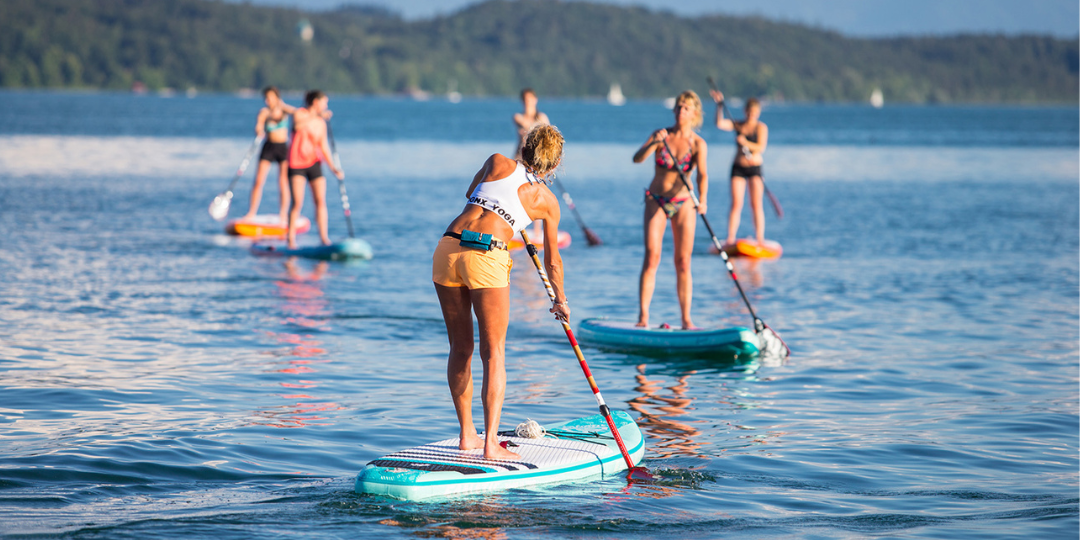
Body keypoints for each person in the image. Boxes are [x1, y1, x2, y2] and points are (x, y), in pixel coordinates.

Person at [433, 124, 568, 460]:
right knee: (493, 353)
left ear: (524, 148)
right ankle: (490, 444)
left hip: (448, 248)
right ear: (554, 166)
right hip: (487, 254)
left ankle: (468, 436)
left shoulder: (495, 161)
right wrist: (560, 299)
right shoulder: (547, 202)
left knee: (460, 346)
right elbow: (552, 261)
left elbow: (471, 194)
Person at [632, 90, 709, 330]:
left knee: (683, 261)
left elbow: (703, 175)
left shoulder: (697, 144)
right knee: (652, 256)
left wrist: (702, 200)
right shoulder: (661, 135)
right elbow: (637, 158)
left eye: (685, 108)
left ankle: (686, 319)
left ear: (694, 113)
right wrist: (653, 142)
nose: (680, 111)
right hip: (656, 199)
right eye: (678, 107)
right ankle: (643, 317)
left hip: (684, 202)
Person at [709, 90, 769, 246]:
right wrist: (719, 106)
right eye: (749, 112)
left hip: (754, 168)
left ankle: (760, 238)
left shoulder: (761, 128)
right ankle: (730, 238)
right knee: (736, 203)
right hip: (738, 167)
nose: (751, 115)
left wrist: (745, 142)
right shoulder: (738, 124)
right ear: (745, 111)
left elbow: (760, 148)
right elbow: (719, 124)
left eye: (754, 112)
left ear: (758, 113)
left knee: (756, 204)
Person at [287, 90, 343, 249]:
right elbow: (298, 126)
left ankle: (324, 238)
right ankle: (291, 239)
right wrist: (316, 116)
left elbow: (323, 146)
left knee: (320, 201)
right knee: (297, 202)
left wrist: (334, 168)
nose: (326, 106)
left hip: (314, 163)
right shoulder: (300, 114)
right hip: (296, 163)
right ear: (316, 102)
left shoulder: (321, 123)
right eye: (324, 102)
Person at [242, 86, 297, 223]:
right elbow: (259, 125)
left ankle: (283, 214)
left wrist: (282, 105)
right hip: (268, 147)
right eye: (266, 98)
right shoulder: (264, 112)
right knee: (259, 181)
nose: (268, 101)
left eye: (271, 97)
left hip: (282, 147)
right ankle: (251, 212)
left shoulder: (284, 110)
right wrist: (259, 129)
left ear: (277, 97)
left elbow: (298, 113)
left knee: (283, 182)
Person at [513, 88, 552, 241]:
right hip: (520, 158)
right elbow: (526, 124)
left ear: (535, 100)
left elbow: (548, 134)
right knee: (517, 192)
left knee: (537, 194)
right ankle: (516, 226)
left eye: (530, 99)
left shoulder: (541, 116)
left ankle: (537, 232)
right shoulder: (518, 117)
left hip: (536, 160)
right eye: (525, 100)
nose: (528, 102)